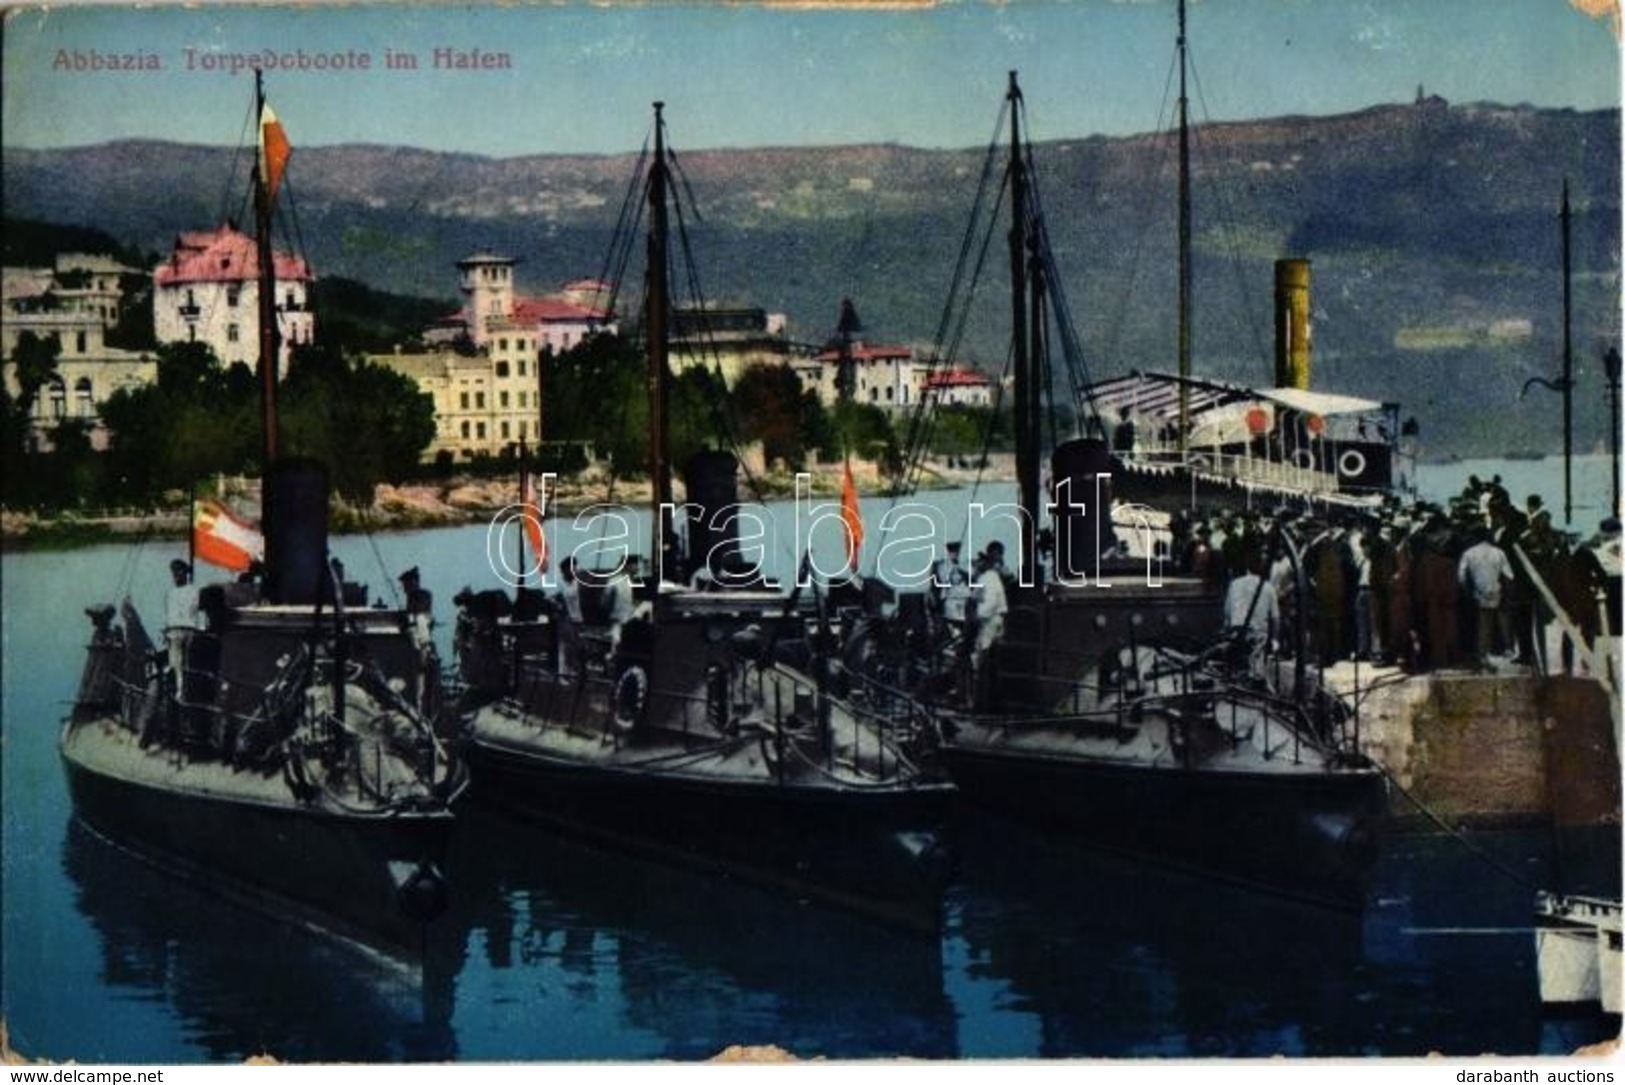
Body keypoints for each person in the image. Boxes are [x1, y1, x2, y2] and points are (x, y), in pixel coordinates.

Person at [1458, 529, 1515, 669]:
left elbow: (1461, 577)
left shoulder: (1468, 553)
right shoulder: (1499, 552)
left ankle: (1482, 654)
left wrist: (1467, 592)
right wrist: (1507, 594)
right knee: (1501, 623)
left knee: (1482, 625)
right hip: (1497, 591)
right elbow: (1509, 576)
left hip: (1477, 594)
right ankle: (1506, 650)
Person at [1223, 555, 1279, 677]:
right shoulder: (1268, 587)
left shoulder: (1234, 584)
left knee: (1235, 671)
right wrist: (1274, 640)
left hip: (1236, 633)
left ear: (1247, 568)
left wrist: (1227, 632)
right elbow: (1275, 618)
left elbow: (1227, 613)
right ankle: (1257, 677)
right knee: (1257, 671)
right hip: (1258, 635)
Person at [164, 558, 202, 678]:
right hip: (175, 631)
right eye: (174, 574)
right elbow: (169, 615)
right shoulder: (170, 593)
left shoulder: (194, 591)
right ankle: (180, 690)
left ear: (185, 574)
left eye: (178, 573)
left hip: (187, 631)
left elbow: (195, 612)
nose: (175, 577)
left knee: (183, 665)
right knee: (177, 665)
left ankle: (182, 690)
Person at [932, 540, 972, 635]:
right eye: (952, 551)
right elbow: (944, 580)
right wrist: (953, 570)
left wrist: (961, 569)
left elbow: (971, 577)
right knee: (954, 624)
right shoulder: (943, 565)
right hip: (952, 599)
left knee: (965, 624)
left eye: (957, 551)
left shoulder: (965, 564)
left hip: (965, 599)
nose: (955, 554)